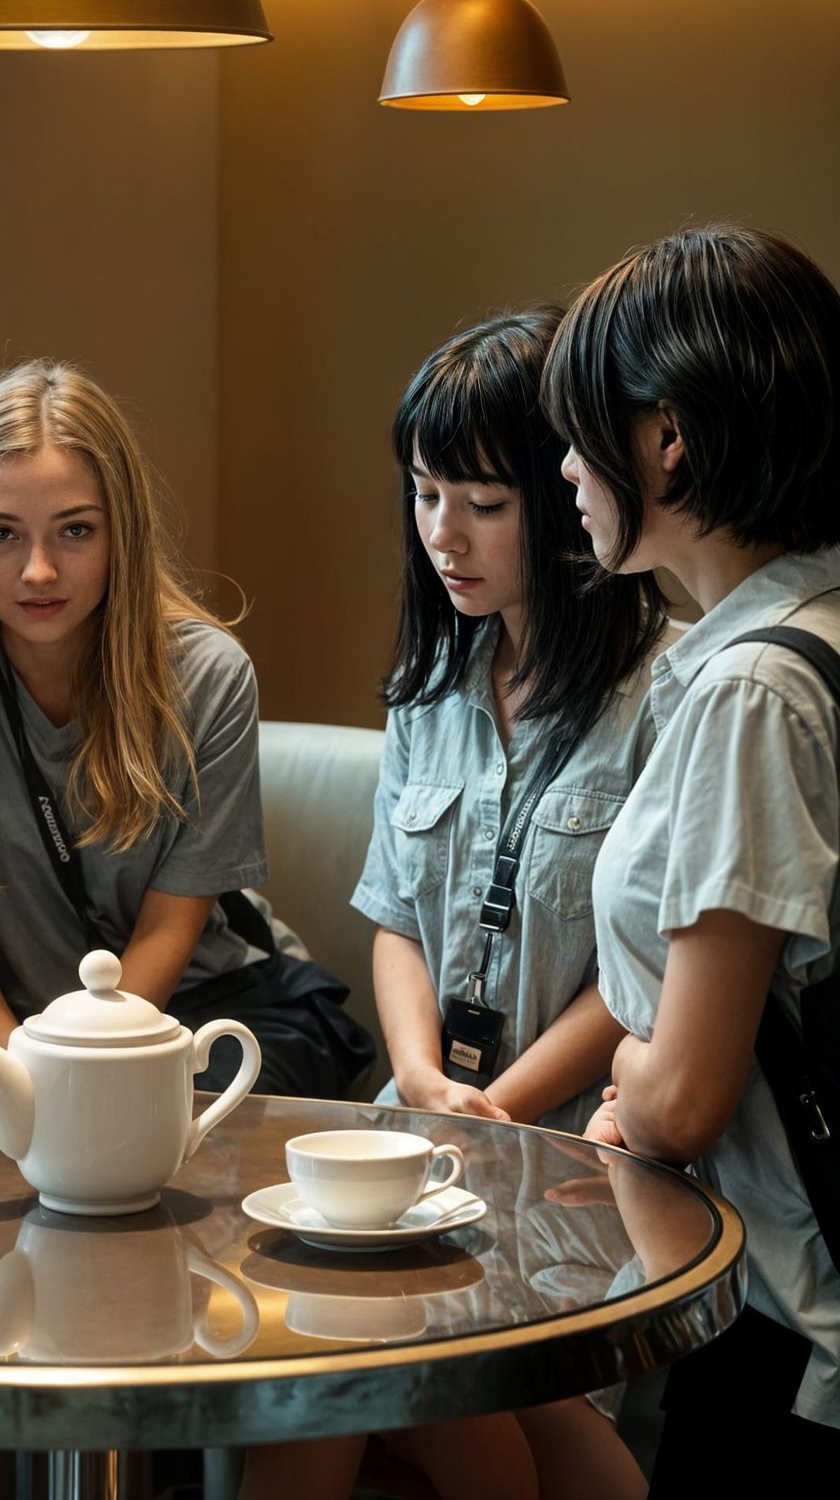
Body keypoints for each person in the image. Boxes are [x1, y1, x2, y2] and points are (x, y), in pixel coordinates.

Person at [245, 310, 666, 1500]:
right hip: (423, 1120)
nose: (444, 534)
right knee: (324, 1365)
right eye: (425, 494)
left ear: (570, 491)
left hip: (584, 1136)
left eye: (484, 502)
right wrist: (423, 1083)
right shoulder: (433, 684)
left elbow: (645, 977)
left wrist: (491, 1112)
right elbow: (393, 918)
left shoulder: (666, 692)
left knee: (413, 1373)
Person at [550, 224, 840, 1485]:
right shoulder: (807, 624)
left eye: (578, 431)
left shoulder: (753, 695)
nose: (566, 468)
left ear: (665, 437)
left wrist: (629, 1063)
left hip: (787, 1318)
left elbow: (682, 1098)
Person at [0, 359, 369, 1100]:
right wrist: (29, 1073)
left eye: (75, 531)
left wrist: (91, 1070)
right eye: (1, 534)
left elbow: (172, 928)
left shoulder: (207, 674)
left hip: (196, 1008)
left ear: (124, 528)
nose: (39, 571)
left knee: (188, 1130)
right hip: (0, 1027)